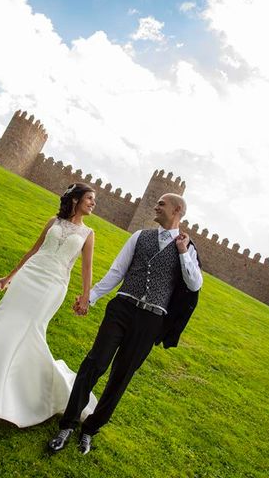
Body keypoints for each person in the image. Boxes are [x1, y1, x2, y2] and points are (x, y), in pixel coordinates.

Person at [48, 193, 203, 454]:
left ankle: (90, 430)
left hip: (151, 319)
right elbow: (117, 271)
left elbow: (194, 284)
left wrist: (183, 252)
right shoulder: (139, 236)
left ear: (177, 210)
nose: (156, 205)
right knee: (94, 363)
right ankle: (67, 425)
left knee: (121, 377)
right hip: (122, 308)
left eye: (162, 204)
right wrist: (91, 297)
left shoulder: (187, 247)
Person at [0, 183, 99, 427]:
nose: (93, 203)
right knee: (7, 317)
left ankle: (24, 387)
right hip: (30, 275)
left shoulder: (88, 234)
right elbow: (33, 250)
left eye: (94, 200)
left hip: (53, 284)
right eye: (90, 198)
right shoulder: (54, 222)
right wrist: (9, 277)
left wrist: (85, 297)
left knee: (31, 327)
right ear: (76, 200)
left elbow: (86, 267)